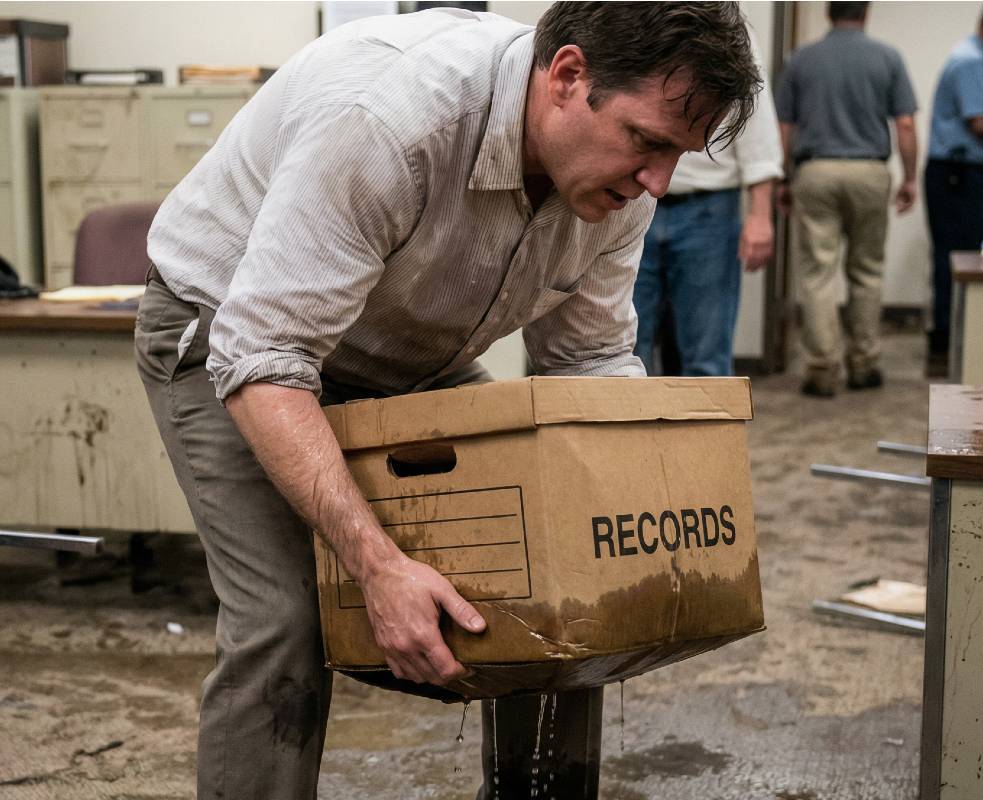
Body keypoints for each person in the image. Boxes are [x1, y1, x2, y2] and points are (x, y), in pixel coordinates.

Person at [136, 3, 761, 798]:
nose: (658, 184)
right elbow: (267, 359)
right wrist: (379, 567)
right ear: (569, 76)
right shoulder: (390, 122)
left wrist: (631, 537)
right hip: (229, 336)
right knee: (286, 620)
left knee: (561, 574)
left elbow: (589, 362)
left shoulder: (619, 188)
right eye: (646, 141)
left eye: (677, 154)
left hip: (408, 353)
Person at [775, 0, 918, 398]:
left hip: (816, 171)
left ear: (829, 12)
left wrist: (785, 179)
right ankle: (864, 363)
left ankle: (821, 370)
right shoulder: (888, 57)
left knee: (818, 273)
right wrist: (910, 178)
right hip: (869, 171)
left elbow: (784, 126)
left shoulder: (801, 60)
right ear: (866, 12)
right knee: (867, 270)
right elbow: (904, 123)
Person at [631, 32, 783, 377]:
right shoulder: (635, 17)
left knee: (706, 356)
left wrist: (760, 215)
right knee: (625, 353)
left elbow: (755, 121)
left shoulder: (728, 25)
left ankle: (707, 432)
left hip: (708, 209)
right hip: (632, 202)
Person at [924, 2, 983, 378]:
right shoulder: (971, 62)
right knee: (960, 261)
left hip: (958, 175)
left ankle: (950, 341)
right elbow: (981, 123)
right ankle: (949, 344)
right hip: (957, 176)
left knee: (957, 259)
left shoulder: (973, 59)